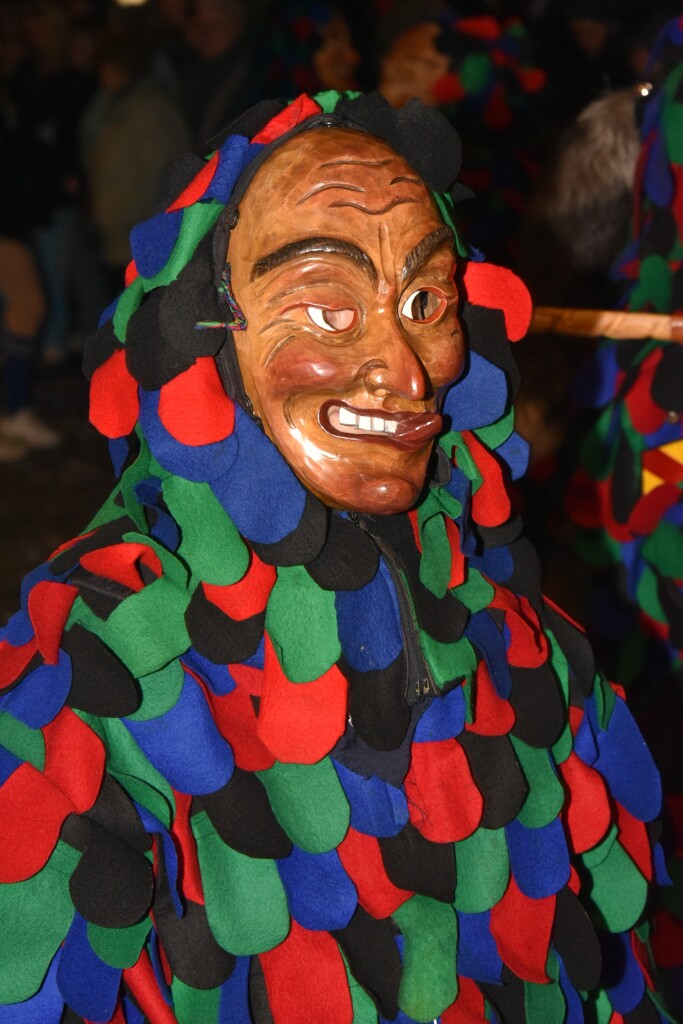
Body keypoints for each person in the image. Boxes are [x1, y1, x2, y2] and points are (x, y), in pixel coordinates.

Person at [0, 91, 671, 1023]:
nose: (405, 370)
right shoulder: (88, 675)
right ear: (205, 332)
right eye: (325, 309)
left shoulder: (532, 655)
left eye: (426, 300)